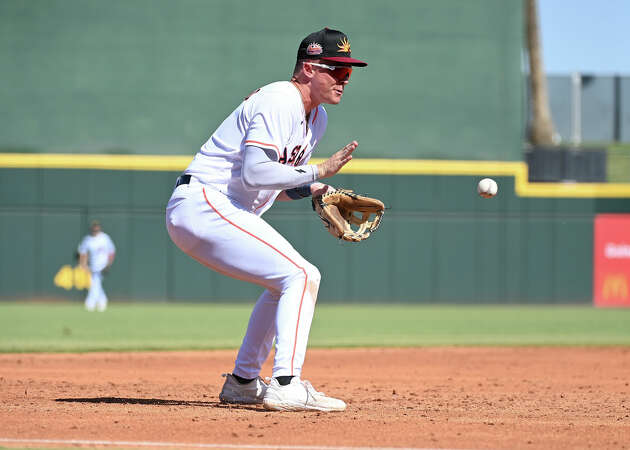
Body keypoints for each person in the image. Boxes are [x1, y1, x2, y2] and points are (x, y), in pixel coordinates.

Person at [166, 27, 367, 412]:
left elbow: (273, 183)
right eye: (336, 70)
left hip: (220, 209)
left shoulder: (317, 118)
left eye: (349, 73)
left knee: (283, 284)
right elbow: (256, 174)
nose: (344, 79)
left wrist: (314, 190)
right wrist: (319, 172)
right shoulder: (279, 100)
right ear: (308, 69)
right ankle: (287, 384)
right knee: (303, 275)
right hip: (205, 202)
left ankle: (243, 381)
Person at [78, 220, 116, 312]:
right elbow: (83, 252)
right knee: (96, 283)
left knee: (95, 283)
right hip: (93, 265)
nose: (95, 229)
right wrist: (83, 264)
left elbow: (111, 252)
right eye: (94, 227)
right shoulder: (88, 239)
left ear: (99, 228)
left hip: (103, 265)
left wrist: (108, 264)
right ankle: (102, 301)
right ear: (91, 228)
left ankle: (90, 303)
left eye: (97, 227)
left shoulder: (105, 238)